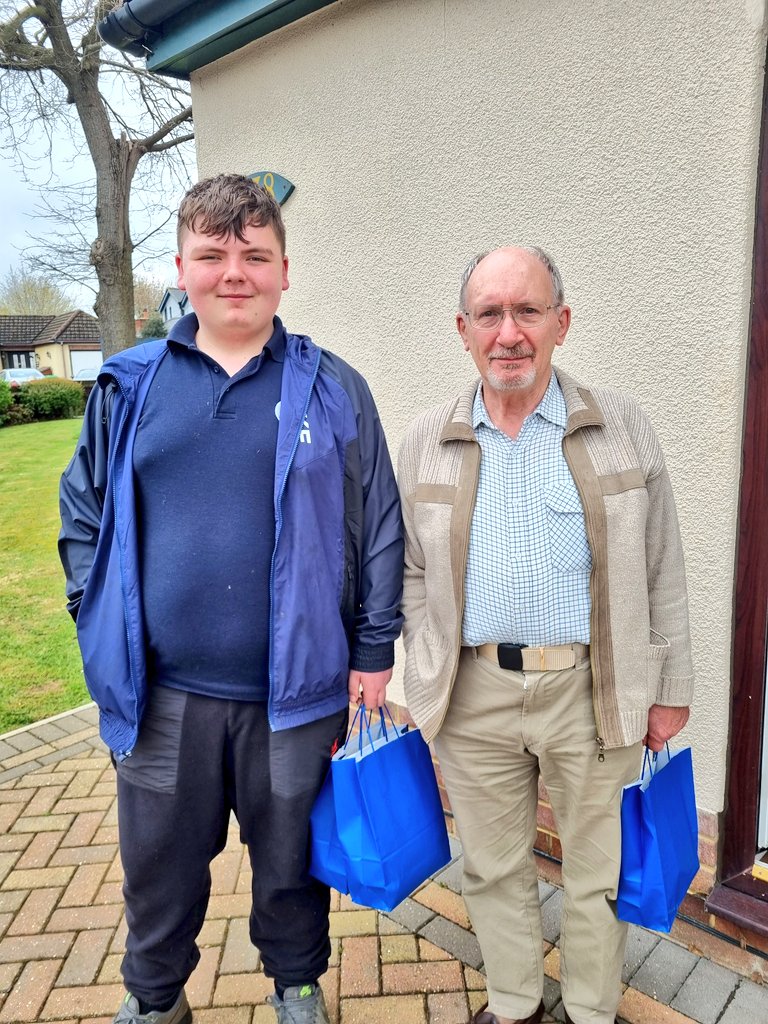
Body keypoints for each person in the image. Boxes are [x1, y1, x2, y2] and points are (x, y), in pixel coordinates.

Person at [58, 174, 403, 1024]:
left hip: (295, 697)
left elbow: (380, 523)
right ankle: (154, 997)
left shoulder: (333, 388)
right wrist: (92, 616)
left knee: (290, 862)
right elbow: (82, 515)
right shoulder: (129, 387)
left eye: (255, 255)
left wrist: (373, 649)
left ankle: (294, 986)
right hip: (161, 697)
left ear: (286, 269)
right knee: (158, 864)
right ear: (182, 267)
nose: (234, 273)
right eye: (213, 255)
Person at [397, 246, 693, 1024]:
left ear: (562, 322)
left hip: (594, 689)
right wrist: (423, 663)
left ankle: (592, 1012)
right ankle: (515, 1003)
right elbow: (408, 569)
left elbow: (663, 566)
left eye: (527, 311)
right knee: (493, 869)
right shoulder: (427, 438)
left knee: (598, 872)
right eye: (490, 314)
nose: (509, 332)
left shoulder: (621, 424)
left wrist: (670, 690)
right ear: (463, 330)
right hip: (475, 694)